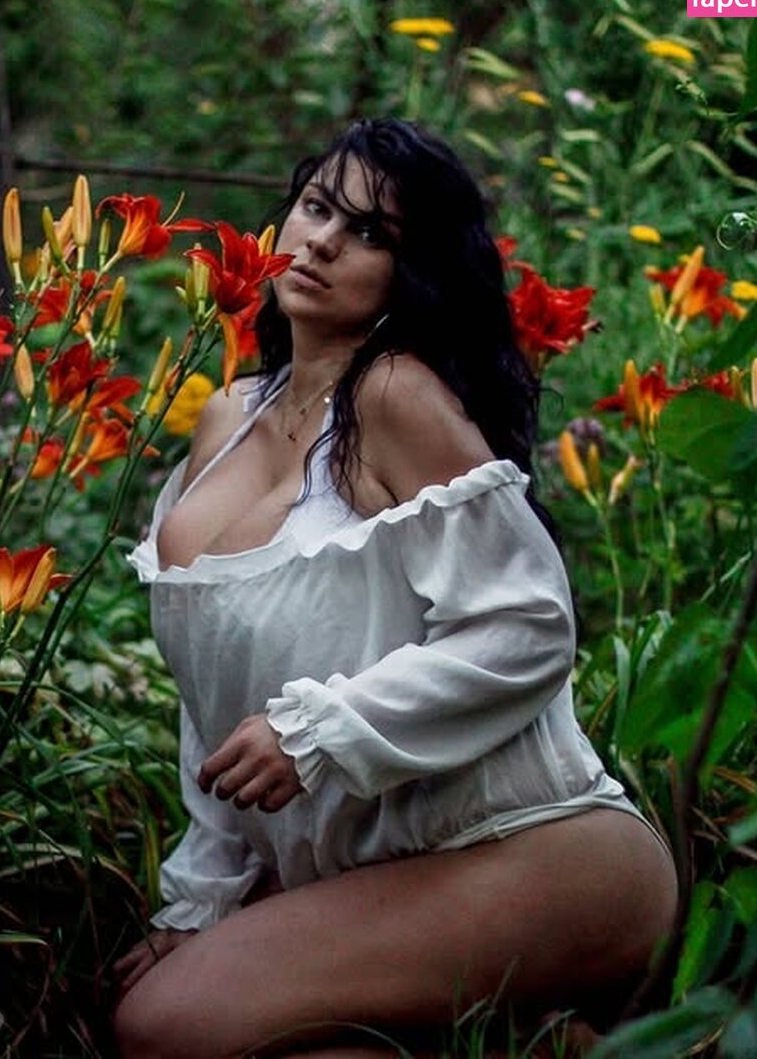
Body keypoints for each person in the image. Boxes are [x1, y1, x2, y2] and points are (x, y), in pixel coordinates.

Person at [114, 117, 677, 1058]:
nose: (324, 241)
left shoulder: (393, 395)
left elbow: (530, 624)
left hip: (525, 845)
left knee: (162, 1023)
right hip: (372, 879)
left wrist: (322, 731)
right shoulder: (227, 417)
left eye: (370, 232)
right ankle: (539, 1040)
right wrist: (200, 899)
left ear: (412, 274)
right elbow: (212, 703)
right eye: (316, 207)